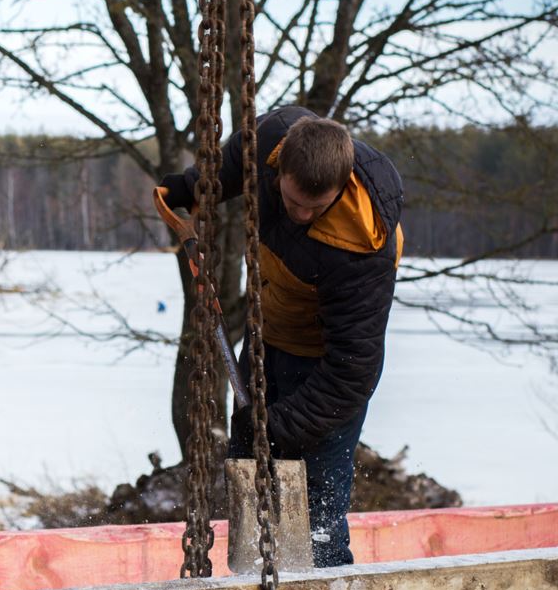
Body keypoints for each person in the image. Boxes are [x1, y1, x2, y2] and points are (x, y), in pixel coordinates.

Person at [160, 105, 404, 566]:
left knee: (319, 522)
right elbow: (234, 161)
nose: (302, 214)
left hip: (327, 371)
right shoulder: (273, 137)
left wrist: (280, 427)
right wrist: (192, 187)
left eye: (317, 207)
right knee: (250, 487)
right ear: (279, 166)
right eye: (293, 202)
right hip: (268, 331)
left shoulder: (363, 253)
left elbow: (352, 373)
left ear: (342, 184)